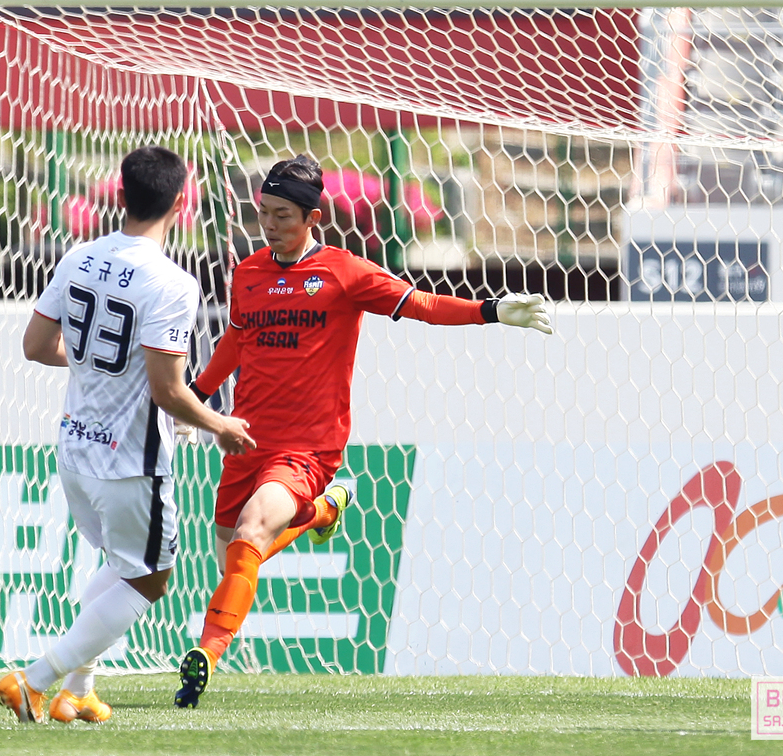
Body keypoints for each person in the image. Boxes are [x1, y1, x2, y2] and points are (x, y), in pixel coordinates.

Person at [174, 154, 553, 709]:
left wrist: (491, 310)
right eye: (264, 213)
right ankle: (323, 512)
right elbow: (235, 341)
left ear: (313, 218)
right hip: (246, 439)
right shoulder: (248, 273)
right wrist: (196, 400)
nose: (269, 225)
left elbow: (421, 304)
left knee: (252, 531)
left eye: (282, 215)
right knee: (232, 553)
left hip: (307, 448)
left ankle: (205, 656)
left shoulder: (344, 272)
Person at [0, 145, 256, 725]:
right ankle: (34, 681)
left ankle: (78, 692)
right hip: (130, 461)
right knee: (149, 580)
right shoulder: (172, 283)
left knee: (119, 566)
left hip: (75, 450)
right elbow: (168, 391)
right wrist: (221, 424)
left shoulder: (79, 257)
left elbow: (35, 346)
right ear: (182, 203)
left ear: (120, 195)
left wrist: (99, 366)